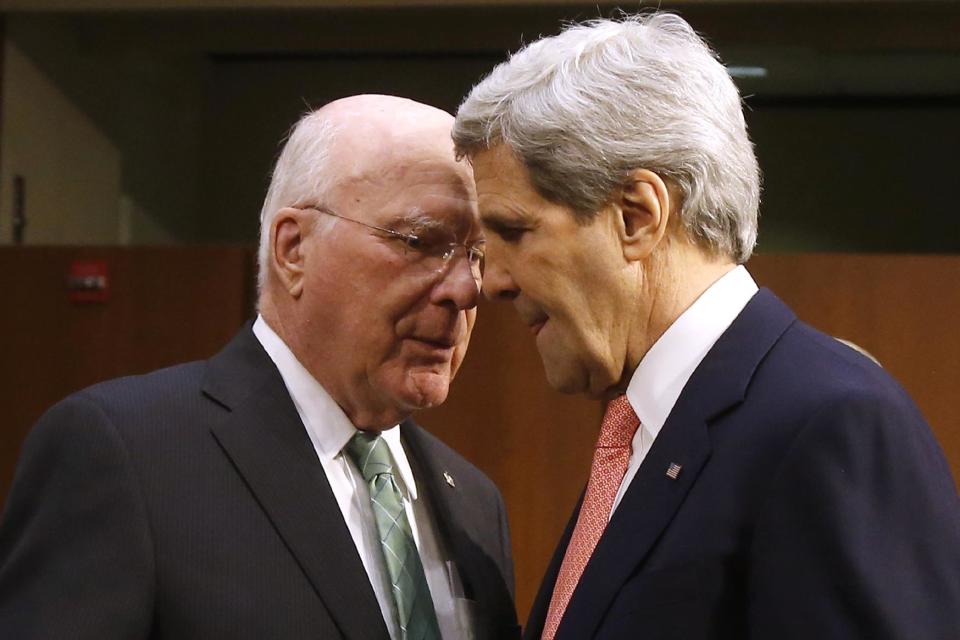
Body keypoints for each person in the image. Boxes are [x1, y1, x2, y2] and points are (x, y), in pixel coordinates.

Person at [453, 13, 960, 640]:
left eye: (513, 231)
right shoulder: (647, 430)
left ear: (637, 215)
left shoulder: (832, 423)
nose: (491, 281)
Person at [0, 95, 520, 639]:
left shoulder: (475, 504)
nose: (467, 289)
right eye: (421, 242)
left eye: (475, 255)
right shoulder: (126, 455)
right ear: (293, 249)